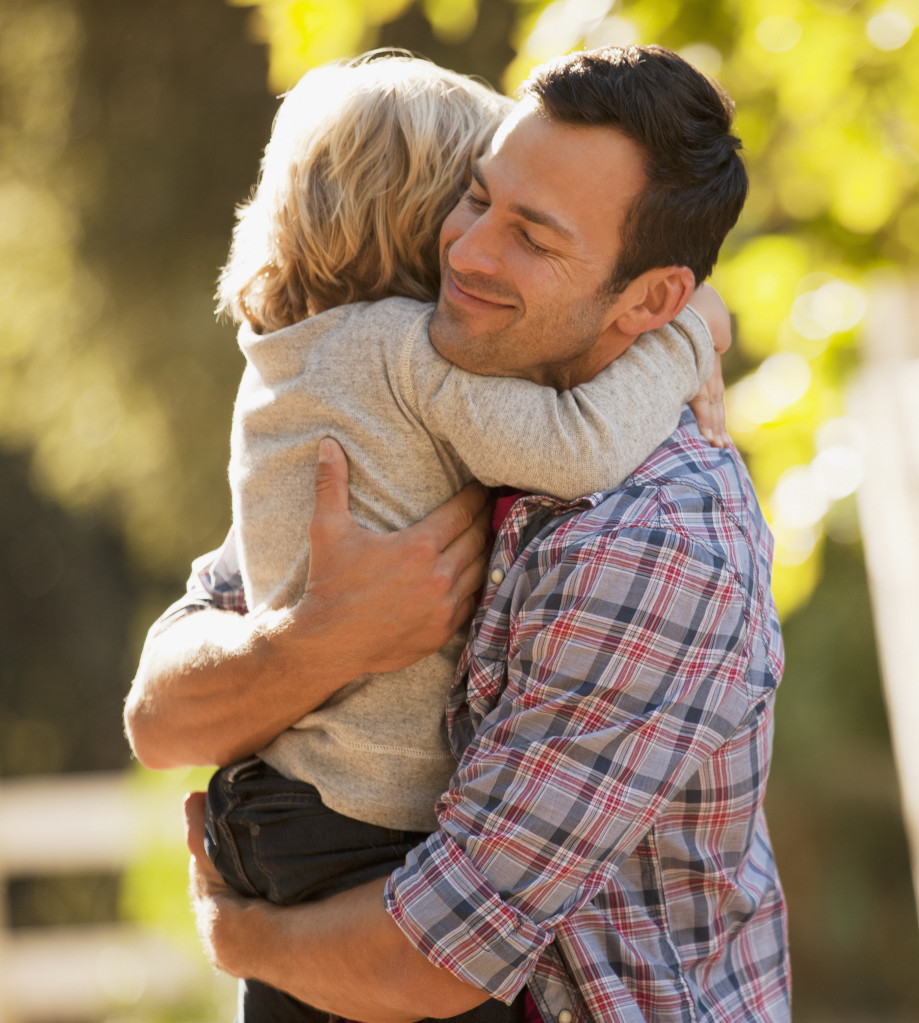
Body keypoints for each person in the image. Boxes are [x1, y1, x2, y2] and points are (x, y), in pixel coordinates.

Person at [125, 44, 791, 1023]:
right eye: (476, 199)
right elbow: (161, 719)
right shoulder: (419, 412)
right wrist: (317, 639)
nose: (470, 252)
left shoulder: (652, 540)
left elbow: (434, 959)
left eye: (534, 235)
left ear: (653, 300)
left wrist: (240, 938)